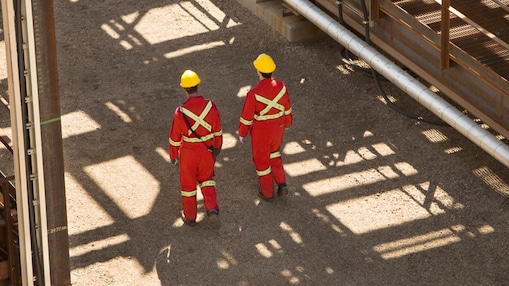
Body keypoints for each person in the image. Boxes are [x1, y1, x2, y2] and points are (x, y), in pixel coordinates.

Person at [168, 70, 223, 227]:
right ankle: (212, 209)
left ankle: (190, 217)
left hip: (188, 153)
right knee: (207, 180)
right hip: (206, 151)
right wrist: (217, 145)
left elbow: (174, 138)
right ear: (198, 86)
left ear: (184, 89)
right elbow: (217, 129)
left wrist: (173, 155)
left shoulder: (180, 112)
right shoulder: (211, 106)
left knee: (188, 185)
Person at [238, 53, 293, 202]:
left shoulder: (253, 94)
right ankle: (281, 183)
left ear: (258, 71)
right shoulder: (282, 87)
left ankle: (267, 192)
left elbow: (247, 117)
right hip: (278, 129)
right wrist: (287, 122)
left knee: (262, 161)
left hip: (261, 133)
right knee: (274, 153)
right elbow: (287, 108)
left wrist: (242, 133)